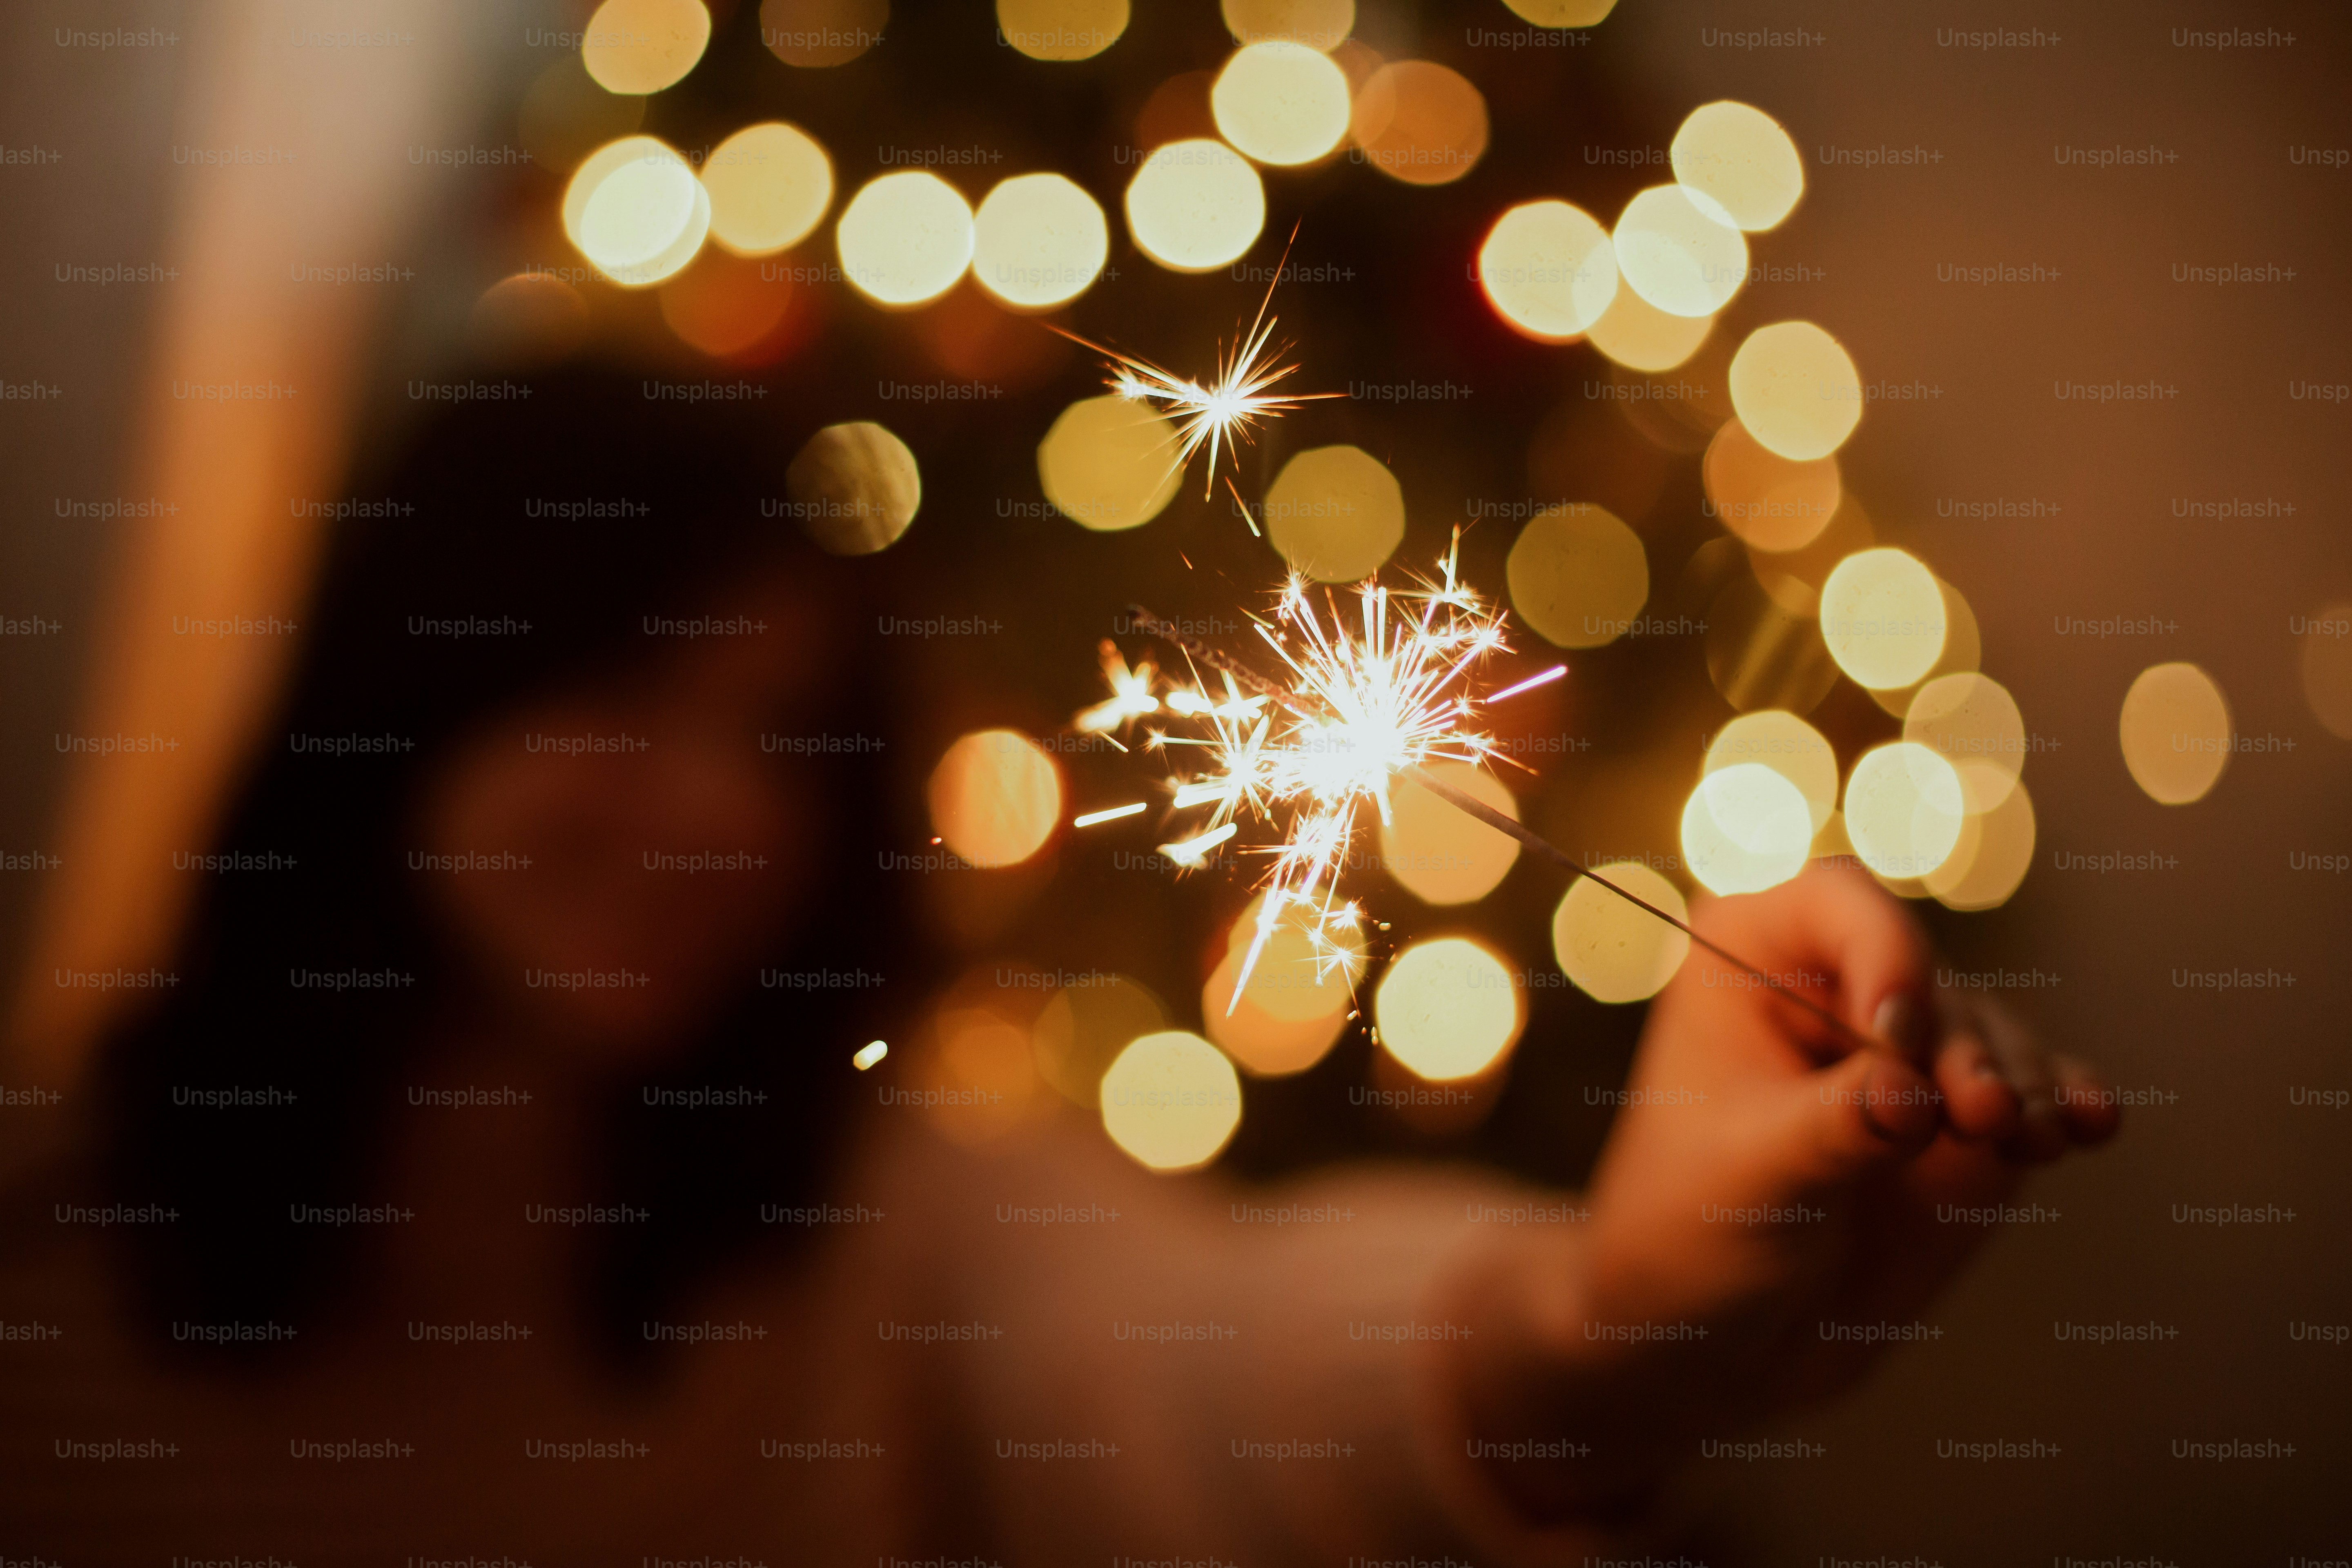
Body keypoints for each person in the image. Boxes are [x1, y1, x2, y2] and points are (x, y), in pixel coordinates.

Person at [0, 373, 2116, 1566]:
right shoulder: (50, 1236)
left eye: (776, 739)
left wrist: (1593, 1319)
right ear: (401, 690)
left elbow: (1213, 1356)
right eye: (622, 695)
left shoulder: (891, 1233)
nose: (715, 812)